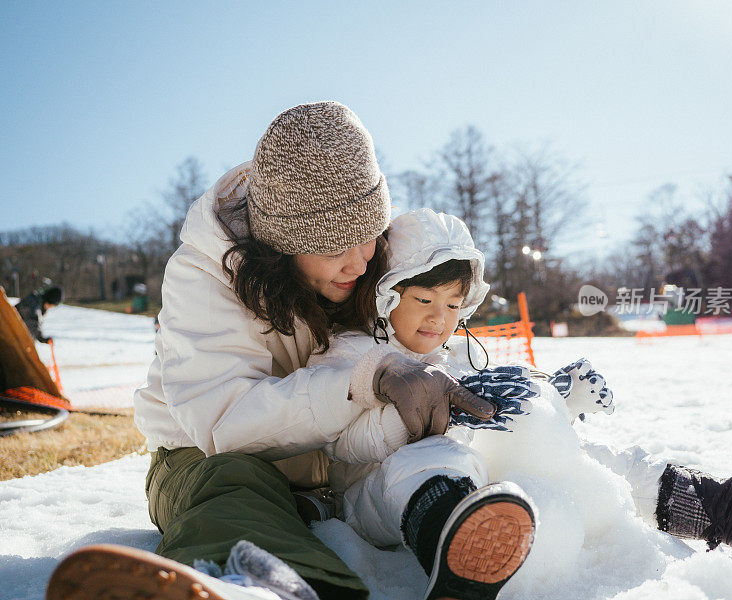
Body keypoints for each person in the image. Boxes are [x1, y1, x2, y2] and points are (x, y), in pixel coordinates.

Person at [46, 103, 496, 600]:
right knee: (234, 486)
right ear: (281, 246)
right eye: (332, 248)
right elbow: (222, 422)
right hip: (205, 458)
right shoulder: (203, 274)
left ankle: (459, 531)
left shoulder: (372, 262)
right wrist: (367, 378)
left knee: (429, 466)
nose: (358, 261)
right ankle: (252, 585)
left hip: (339, 465)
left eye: (367, 237)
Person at [307, 208, 732, 599]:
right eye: (425, 301)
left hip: (480, 471)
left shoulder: (452, 354)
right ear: (389, 297)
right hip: (381, 492)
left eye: (454, 305)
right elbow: (344, 440)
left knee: (592, 458)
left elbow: (503, 410)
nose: (441, 319)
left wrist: (554, 399)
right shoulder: (355, 352)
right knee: (430, 459)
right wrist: (428, 415)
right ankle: (456, 550)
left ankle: (726, 505)